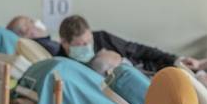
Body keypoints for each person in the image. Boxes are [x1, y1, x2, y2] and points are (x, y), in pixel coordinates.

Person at [57, 15, 198, 74]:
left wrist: (175, 59)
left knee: (196, 70)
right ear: (64, 42)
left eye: (89, 41)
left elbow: (138, 50)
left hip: (147, 68)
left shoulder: (102, 38)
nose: (88, 46)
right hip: (133, 80)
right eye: (81, 44)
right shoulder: (62, 64)